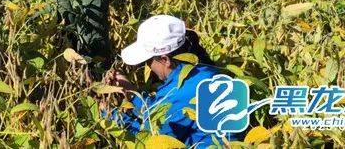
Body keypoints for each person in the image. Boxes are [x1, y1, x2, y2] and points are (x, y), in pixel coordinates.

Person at [102, 15, 241, 148]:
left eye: (148, 61)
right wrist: (131, 93)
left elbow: (149, 141)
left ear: (165, 60)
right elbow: (160, 110)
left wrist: (109, 116)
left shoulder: (178, 92)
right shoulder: (207, 71)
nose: (148, 66)